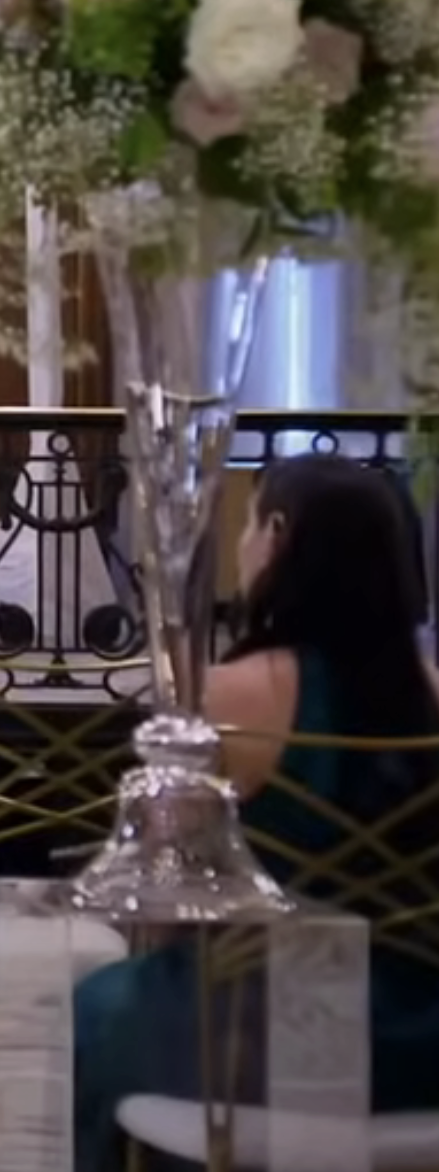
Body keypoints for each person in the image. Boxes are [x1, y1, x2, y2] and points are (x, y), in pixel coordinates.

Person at [73, 455, 439, 1170]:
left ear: (278, 534)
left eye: (247, 521)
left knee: (96, 1009)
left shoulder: (229, 699)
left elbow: (161, 896)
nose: (241, 542)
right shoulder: (432, 692)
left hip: (266, 1031)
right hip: (423, 1036)